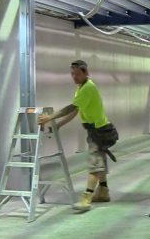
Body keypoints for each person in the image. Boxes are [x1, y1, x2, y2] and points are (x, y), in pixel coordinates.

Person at [39, 60, 111, 212]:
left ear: (85, 72)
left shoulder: (88, 88)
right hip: (96, 131)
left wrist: (50, 117)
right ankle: (103, 192)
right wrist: (59, 125)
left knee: (94, 164)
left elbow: (70, 107)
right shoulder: (81, 88)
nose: (74, 77)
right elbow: (76, 110)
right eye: (72, 74)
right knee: (99, 164)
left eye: (77, 74)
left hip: (99, 132)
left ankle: (86, 199)